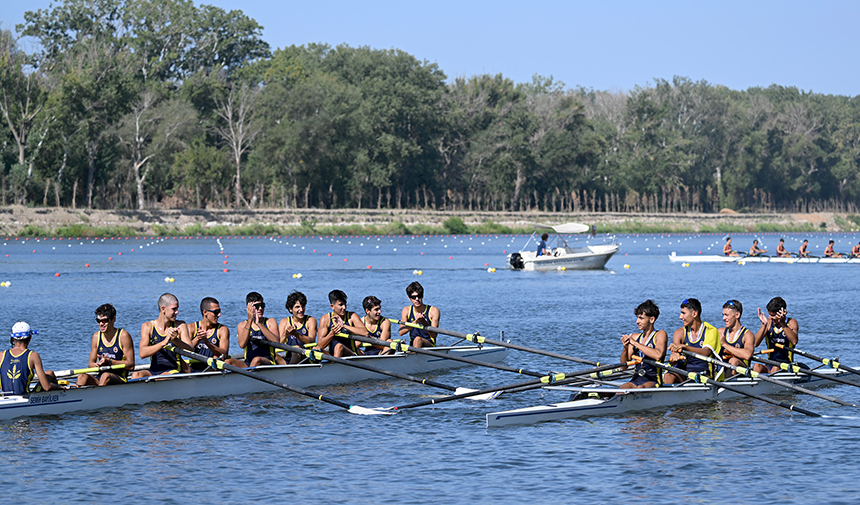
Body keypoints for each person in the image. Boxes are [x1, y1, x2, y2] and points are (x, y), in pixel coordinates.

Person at [132, 293, 194, 379]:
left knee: (162, 377)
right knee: (136, 375)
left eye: (177, 309)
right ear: (163, 309)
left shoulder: (180, 325)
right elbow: (142, 353)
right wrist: (164, 342)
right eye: (174, 309)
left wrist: (175, 340)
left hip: (173, 370)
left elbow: (190, 349)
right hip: (154, 370)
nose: (177, 312)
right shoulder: (147, 326)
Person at [663, 298, 722, 384]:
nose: (680, 317)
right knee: (668, 376)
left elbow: (705, 352)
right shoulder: (679, 333)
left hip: (706, 374)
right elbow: (676, 349)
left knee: (694, 375)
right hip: (686, 373)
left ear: (694, 314)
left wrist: (685, 347)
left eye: (683, 313)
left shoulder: (711, 331)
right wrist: (674, 354)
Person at [77, 304, 135, 386]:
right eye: (98, 321)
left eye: (104, 321)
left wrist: (110, 362)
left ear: (113, 319)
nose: (101, 324)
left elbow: (131, 365)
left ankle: (99, 396)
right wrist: (97, 365)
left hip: (119, 377)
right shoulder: (96, 337)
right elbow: (90, 364)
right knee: (82, 377)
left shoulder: (123, 336)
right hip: (101, 378)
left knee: (106, 376)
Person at [0, 322, 61, 395]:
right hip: (24, 398)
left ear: (13, 339)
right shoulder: (33, 356)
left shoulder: (1, 355)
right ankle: (59, 397)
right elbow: (46, 387)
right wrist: (58, 387)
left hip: (4, 399)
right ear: (30, 338)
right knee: (50, 375)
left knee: (49, 373)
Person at [619, 300, 667, 389]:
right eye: (637, 318)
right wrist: (625, 348)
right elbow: (624, 367)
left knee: (640, 388)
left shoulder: (660, 334)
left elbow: (658, 355)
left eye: (641, 318)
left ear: (652, 319)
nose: (637, 321)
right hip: (636, 379)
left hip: (653, 381)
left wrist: (635, 344)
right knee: (622, 388)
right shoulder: (635, 337)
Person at [237, 292, 286, 368]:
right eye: (256, 306)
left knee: (256, 360)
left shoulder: (270, 322)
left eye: (262, 306)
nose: (260, 309)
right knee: (228, 362)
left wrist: (259, 324)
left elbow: (276, 342)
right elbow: (242, 344)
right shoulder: (242, 325)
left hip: (268, 360)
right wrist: (250, 320)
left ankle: (247, 378)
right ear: (248, 308)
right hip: (248, 362)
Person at [753, 297, 799, 374]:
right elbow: (755, 344)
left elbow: (794, 341)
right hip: (770, 364)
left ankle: (770, 384)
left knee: (776, 368)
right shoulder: (768, 323)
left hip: (787, 365)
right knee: (756, 366)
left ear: (781, 312)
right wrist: (764, 325)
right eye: (769, 314)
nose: (770, 317)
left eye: (772, 315)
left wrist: (782, 323)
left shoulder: (791, 323)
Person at [317, 290, 368, 357]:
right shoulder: (325, 319)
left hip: (351, 355)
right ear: (332, 306)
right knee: (315, 349)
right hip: (333, 356)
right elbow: (320, 345)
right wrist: (332, 334)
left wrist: (344, 326)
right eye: (341, 305)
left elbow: (365, 333)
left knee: (339, 346)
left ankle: (334, 366)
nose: (344, 307)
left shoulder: (352, 316)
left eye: (345, 304)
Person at [186, 297, 232, 371]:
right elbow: (185, 351)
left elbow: (224, 354)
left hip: (214, 370)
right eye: (216, 312)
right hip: (195, 368)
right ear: (205, 312)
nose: (219, 315)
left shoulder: (222, 330)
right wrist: (198, 338)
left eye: (220, 311)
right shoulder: (191, 328)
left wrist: (206, 342)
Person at [279, 291, 317, 364]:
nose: (301, 310)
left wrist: (295, 334)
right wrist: (285, 335)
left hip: (305, 357)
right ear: (290, 309)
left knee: (297, 348)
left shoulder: (310, 320)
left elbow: (311, 340)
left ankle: (289, 372)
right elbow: (279, 343)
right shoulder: (284, 322)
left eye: (303, 306)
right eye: (297, 307)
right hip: (289, 356)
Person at [398, 281, 440, 348]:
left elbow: (434, 335)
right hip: (413, 344)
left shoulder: (434, 311)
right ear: (409, 298)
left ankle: (413, 357)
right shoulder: (406, 310)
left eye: (419, 296)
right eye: (414, 297)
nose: (417, 299)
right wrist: (415, 322)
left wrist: (423, 322)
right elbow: (401, 332)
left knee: (418, 339)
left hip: (429, 344)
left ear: (422, 296)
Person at [718, 300, 754, 376]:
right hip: (723, 368)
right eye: (723, 315)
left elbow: (747, 355)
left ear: (737, 315)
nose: (724, 318)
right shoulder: (720, 332)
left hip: (741, 371)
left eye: (726, 315)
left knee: (733, 361)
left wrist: (724, 344)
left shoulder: (747, 335)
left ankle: (725, 385)